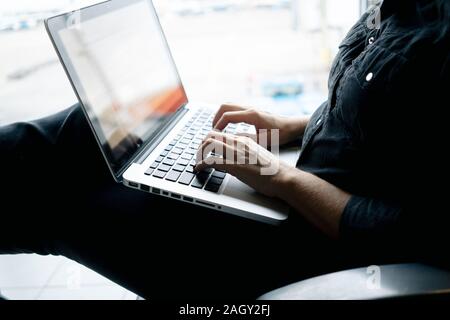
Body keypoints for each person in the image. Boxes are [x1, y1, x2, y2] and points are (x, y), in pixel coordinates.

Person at [1, 0, 449, 299]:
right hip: (289, 182)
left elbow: (419, 232)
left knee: (59, 207)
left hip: (300, 241)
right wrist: (288, 126)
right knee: (88, 127)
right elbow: (372, 111)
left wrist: (282, 179)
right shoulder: (399, 7)